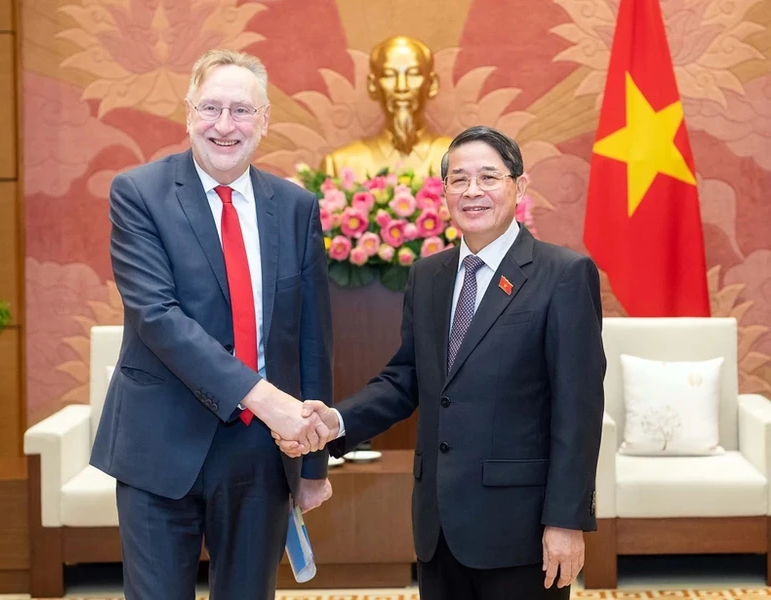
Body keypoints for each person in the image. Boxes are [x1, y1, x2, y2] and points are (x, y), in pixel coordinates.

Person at [281, 126, 606, 599]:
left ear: (520, 186)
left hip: (521, 532)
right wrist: (335, 421)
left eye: (488, 177)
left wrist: (566, 521)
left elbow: (578, 412)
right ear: (445, 192)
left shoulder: (563, 275)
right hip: (438, 526)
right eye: (459, 180)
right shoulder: (428, 276)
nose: (473, 191)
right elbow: (405, 379)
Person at [90, 49, 333, 600]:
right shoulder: (139, 194)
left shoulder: (295, 207)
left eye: (242, 111)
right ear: (188, 113)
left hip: (262, 452)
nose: (225, 126)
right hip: (160, 442)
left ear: (265, 120)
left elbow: (312, 337)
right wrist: (266, 399)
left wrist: (313, 462)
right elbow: (157, 317)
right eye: (211, 108)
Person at [321, 36, 453, 179]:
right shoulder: (340, 165)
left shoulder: (462, 161)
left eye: (413, 74)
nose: (401, 87)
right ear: (373, 85)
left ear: (432, 84)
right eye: (389, 75)